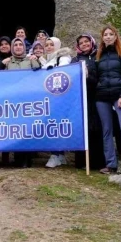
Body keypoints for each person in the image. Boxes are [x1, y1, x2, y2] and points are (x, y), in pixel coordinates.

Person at [94, 25, 121, 174]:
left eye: (110, 34)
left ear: (115, 36)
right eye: (105, 34)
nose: (107, 37)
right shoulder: (98, 55)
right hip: (102, 97)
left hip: (119, 96)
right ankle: (111, 164)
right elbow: (96, 76)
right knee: (107, 130)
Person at [6, 38, 40, 168]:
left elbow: (39, 72)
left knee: (27, 129)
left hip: (28, 100)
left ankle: (28, 159)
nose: (18, 47)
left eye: (21, 44)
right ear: (12, 47)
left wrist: (34, 60)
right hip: (14, 101)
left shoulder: (30, 60)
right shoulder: (9, 63)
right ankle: (18, 158)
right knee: (16, 130)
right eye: (16, 45)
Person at [74, 34, 105, 170]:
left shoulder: (99, 57)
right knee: (83, 128)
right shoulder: (75, 60)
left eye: (86, 41)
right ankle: (81, 161)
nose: (84, 44)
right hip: (80, 98)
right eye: (81, 43)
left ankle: (97, 162)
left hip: (96, 96)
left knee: (96, 128)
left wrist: (89, 76)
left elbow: (102, 76)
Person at [41, 37, 73, 168]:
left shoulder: (63, 58)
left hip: (60, 98)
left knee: (56, 126)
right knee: (53, 125)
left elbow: (62, 72)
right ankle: (60, 155)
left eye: (51, 45)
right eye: (47, 45)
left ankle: (56, 155)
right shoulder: (46, 59)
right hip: (49, 97)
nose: (49, 47)